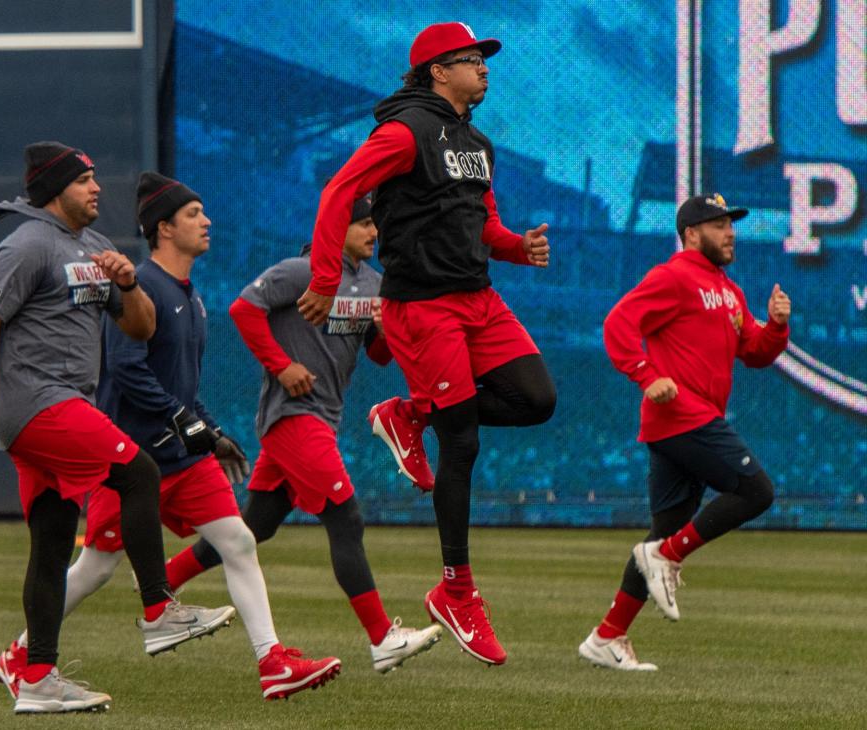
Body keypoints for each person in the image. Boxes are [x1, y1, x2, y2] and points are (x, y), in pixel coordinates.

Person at [0, 173, 341, 702]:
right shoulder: (145, 284)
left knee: (239, 542)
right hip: (131, 458)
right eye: (194, 214)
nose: (207, 222)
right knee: (94, 569)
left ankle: (273, 663)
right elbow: (127, 368)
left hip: (182, 458)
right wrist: (181, 418)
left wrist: (211, 431)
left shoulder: (189, 294)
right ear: (164, 228)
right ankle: (22, 656)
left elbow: (182, 385)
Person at [297, 22, 557, 665]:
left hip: (478, 298)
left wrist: (517, 246)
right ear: (439, 70)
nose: (485, 68)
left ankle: (409, 412)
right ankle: (456, 591)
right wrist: (328, 278)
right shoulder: (404, 131)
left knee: (536, 399)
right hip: (422, 306)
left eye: (484, 59)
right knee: (462, 439)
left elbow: (485, 227)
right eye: (474, 60)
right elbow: (339, 192)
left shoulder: (477, 141)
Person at [0, 143, 233, 714]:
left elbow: (140, 329)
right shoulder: (25, 244)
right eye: (84, 180)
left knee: (53, 547)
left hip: (62, 405)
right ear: (56, 189)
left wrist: (128, 284)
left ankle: (36, 677)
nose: (97, 188)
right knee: (139, 471)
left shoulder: (98, 248)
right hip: (37, 401)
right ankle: (158, 610)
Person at [161, 192, 443, 674]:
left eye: (375, 224)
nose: (373, 233)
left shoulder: (374, 282)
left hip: (320, 418)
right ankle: (382, 640)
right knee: (346, 520)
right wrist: (283, 364)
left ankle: (159, 585)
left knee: (256, 525)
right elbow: (243, 310)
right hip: (293, 416)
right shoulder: (301, 270)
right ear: (337, 228)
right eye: (363, 224)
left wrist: (384, 330)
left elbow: (377, 355)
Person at [578, 193, 791, 671]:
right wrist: (646, 375)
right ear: (691, 234)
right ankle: (668, 557)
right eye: (718, 225)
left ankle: (608, 635)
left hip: (687, 422)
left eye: (731, 223)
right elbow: (618, 324)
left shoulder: (728, 290)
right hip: (683, 417)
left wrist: (776, 326)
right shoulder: (673, 276)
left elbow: (753, 351)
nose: (730, 232)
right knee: (756, 490)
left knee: (664, 530)